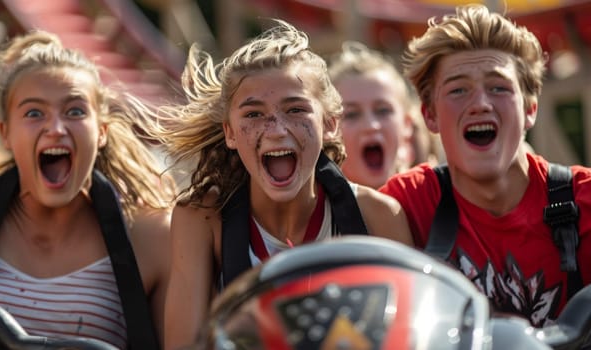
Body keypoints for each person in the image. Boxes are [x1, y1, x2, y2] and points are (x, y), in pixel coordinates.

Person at [156, 19, 413, 349]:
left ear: (330, 124)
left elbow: (408, 338)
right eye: (253, 114)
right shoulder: (202, 219)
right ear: (230, 132)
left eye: (296, 109)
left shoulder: (380, 215)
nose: (276, 129)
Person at [380, 4, 591, 328]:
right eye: (458, 89)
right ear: (430, 116)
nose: (480, 103)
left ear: (530, 109)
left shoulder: (585, 200)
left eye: (499, 87)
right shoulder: (406, 203)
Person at [0, 30, 175, 349]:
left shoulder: (151, 236)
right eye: (34, 113)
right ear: (5, 134)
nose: (56, 129)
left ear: (101, 132)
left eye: (75, 111)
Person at [327, 41, 417, 189]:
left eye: (383, 110)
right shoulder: (314, 210)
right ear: (328, 130)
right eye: (351, 114)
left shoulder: (433, 204)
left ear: (406, 124)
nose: (371, 125)